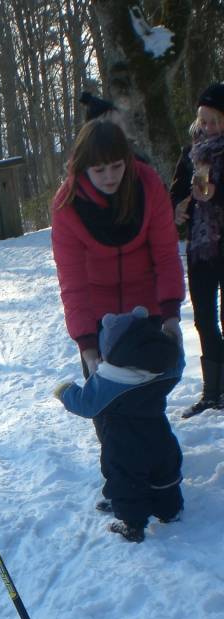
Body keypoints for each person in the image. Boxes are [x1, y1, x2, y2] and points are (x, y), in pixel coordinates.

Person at [51, 119, 185, 382]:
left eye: (116, 166)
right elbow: (73, 283)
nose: (110, 177)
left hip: (145, 311)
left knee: (148, 402)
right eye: (99, 170)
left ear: (127, 161)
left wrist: (170, 316)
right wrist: (88, 347)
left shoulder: (147, 185)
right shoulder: (67, 205)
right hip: (98, 318)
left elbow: (166, 255)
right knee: (107, 409)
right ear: (83, 168)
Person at [54, 307, 184, 543]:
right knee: (165, 473)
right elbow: (179, 361)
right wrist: (173, 336)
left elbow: (86, 405)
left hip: (125, 445)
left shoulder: (110, 380)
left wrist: (66, 392)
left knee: (127, 482)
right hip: (160, 436)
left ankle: (133, 526)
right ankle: (170, 511)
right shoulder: (164, 368)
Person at [170, 83, 224, 417]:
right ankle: (212, 392)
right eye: (204, 120)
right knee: (204, 318)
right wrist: (178, 207)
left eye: (216, 121)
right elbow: (175, 190)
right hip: (201, 249)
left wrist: (217, 194)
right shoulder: (191, 151)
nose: (209, 128)